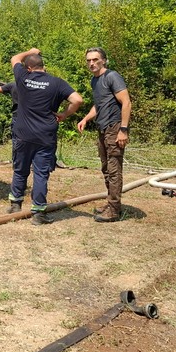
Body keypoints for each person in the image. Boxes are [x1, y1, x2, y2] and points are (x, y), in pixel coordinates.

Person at [7, 47, 84, 225]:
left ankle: (15, 205)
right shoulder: (57, 83)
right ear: (44, 67)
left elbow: (14, 58)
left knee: (20, 170)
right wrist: (64, 114)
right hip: (45, 136)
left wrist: (30, 50)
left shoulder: (23, 78)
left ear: (28, 68)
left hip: (23, 134)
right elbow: (78, 100)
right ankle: (38, 214)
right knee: (41, 174)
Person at [76, 47, 132, 223]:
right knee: (106, 168)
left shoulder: (112, 77)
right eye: (89, 60)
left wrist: (123, 130)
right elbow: (99, 105)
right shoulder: (95, 80)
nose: (91, 63)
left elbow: (126, 102)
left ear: (104, 60)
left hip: (114, 128)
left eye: (95, 60)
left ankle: (114, 210)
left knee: (114, 169)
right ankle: (111, 203)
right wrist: (86, 118)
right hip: (102, 128)